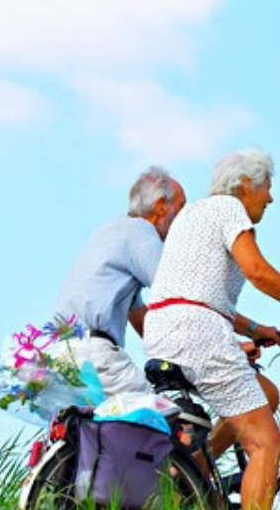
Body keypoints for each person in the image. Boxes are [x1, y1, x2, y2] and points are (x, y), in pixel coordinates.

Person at [143, 148, 280, 510]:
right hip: (197, 332)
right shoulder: (229, 208)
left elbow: (196, 291)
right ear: (247, 184)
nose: (270, 198)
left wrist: (255, 330)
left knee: (264, 394)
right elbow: (257, 270)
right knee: (266, 442)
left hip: (167, 329)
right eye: (268, 187)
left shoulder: (193, 215)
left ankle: (194, 474)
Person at [50, 166, 186, 396]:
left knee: (98, 428)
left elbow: (142, 319)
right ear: (161, 205)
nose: (184, 218)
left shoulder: (112, 231)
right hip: (94, 354)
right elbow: (180, 293)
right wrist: (226, 346)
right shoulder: (141, 231)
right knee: (161, 419)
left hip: (62, 353)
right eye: (182, 207)